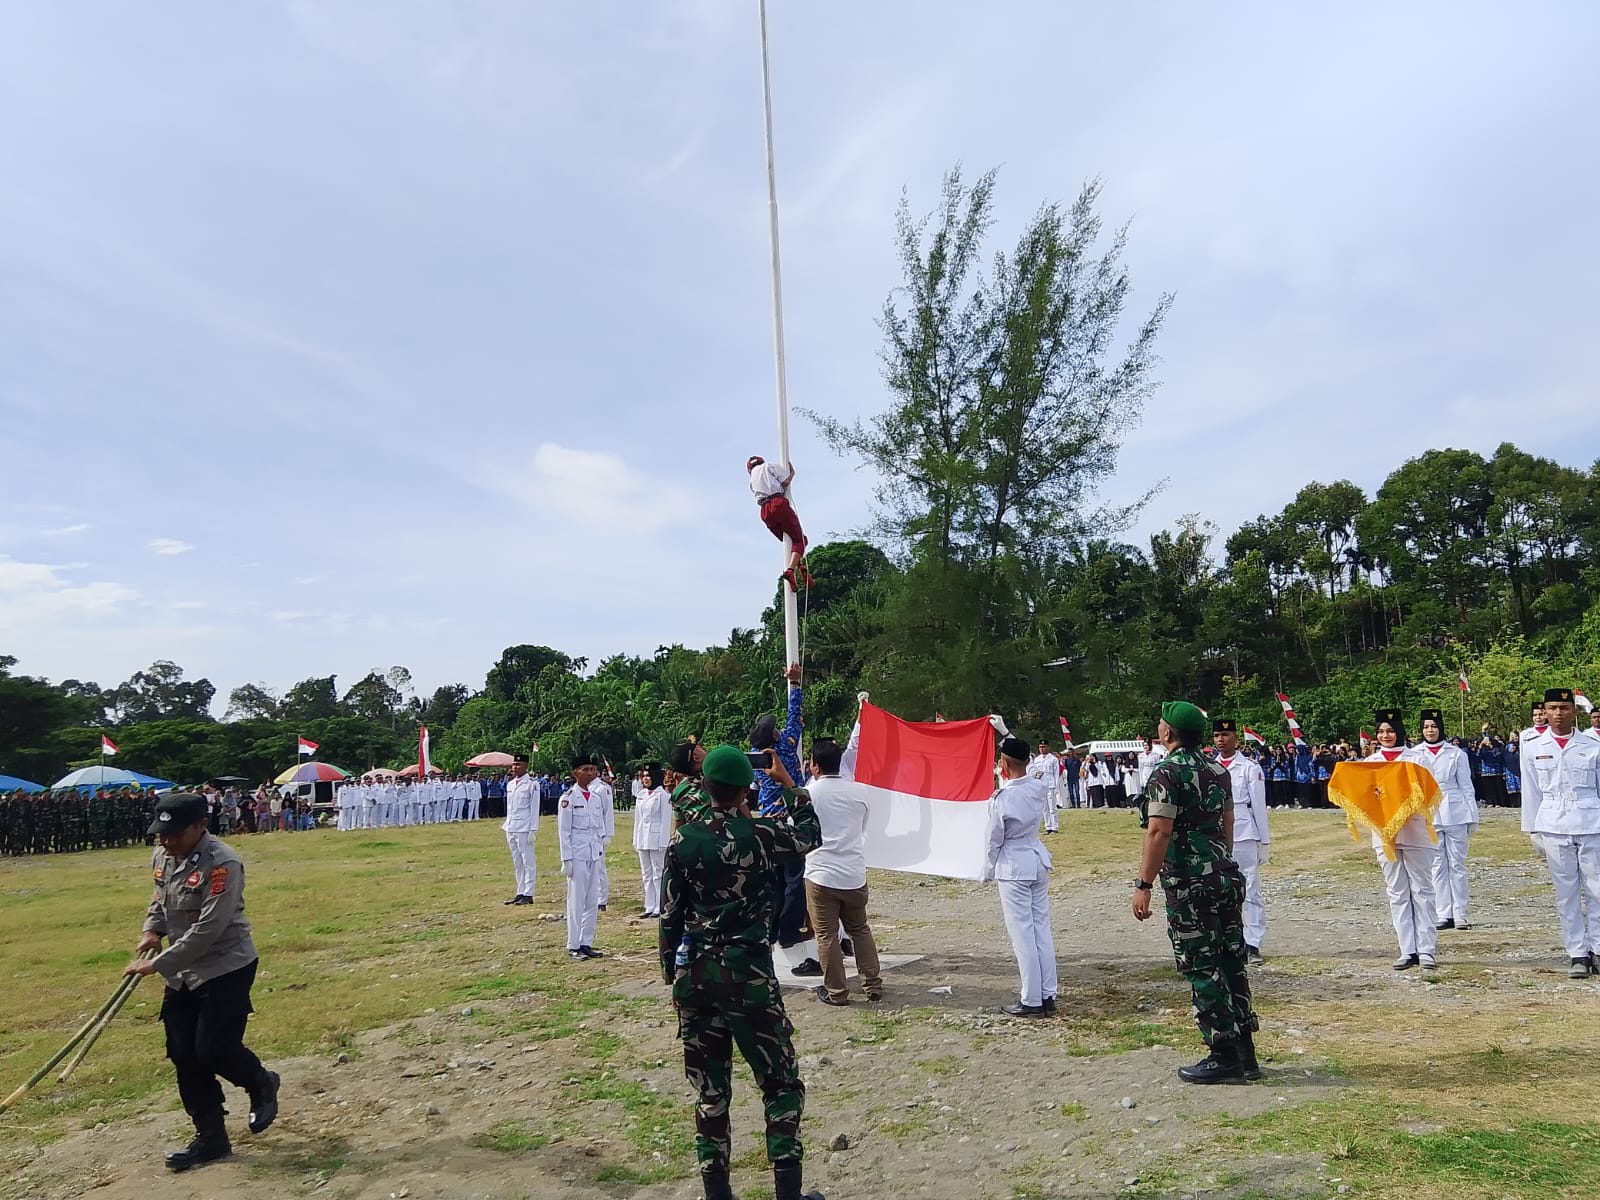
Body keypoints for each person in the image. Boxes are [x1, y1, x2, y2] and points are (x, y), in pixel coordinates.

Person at [659, 745, 825, 1200]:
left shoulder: (684, 840)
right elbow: (811, 835)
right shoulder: (760, 835)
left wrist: (669, 971)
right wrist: (790, 785)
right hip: (749, 977)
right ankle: (788, 1193)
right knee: (780, 1083)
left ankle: (717, 1193)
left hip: (697, 978)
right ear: (745, 790)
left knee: (711, 1091)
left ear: (705, 786)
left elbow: (669, 917)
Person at [125, 792, 279, 1171]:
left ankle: (260, 1083)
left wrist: (158, 963)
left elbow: (210, 927)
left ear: (201, 826)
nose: (166, 841)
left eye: (175, 834)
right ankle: (211, 1139)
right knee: (183, 1054)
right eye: (161, 833)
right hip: (181, 969)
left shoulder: (223, 862)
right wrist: (152, 930)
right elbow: (160, 898)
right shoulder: (163, 854)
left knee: (213, 1048)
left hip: (224, 964)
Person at [1132, 701, 1259, 1084]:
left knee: (1203, 966)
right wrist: (1221, 859)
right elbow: (1228, 819)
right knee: (1231, 960)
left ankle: (1223, 1055)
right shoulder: (1217, 768)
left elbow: (1159, 831)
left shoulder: (1166, 773)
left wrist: (1144, 885)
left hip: (1190, 881)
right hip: (1223, 874)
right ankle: (1245, 1053)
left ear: (1168, 733)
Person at [1521, 688, 1600, 978]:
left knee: (1597, 889)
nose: (1558, 713)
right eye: (1552, 708)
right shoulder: (1533, 747)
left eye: (1564, 708)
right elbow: (1530, 792)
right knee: (1566, 893)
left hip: (1591, 822)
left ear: (1574, 711)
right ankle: (1577, 952)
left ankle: (1599, 948)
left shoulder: (1592, 745)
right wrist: (1532, 829)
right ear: (1545, 710)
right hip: (1553, 824)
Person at [801, 736, 883, 1007]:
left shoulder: (809, 793)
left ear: (814, 765)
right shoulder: (860, 791)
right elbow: (862, 828)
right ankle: (872, 985)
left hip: (821, 873)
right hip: (853, 872)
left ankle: (837, 991)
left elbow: (798, 828)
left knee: (826, 935)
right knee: (860, 929)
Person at [983, 735, 1059, 1018]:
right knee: (1041, 929)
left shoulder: (1002, 798)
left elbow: (993, 840)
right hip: (1036, 857)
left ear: (1003, 763)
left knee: (1022, 935)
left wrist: (986, 870)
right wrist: (1005, 732)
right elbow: (1029, 769)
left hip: (1014, 865)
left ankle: (1031, 999)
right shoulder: (1037, 786)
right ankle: (1048, 993)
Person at [1366, 709, 1438, 970]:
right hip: (1385, 834)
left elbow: (1432, 793)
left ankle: (1427, 949)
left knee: (1422, 890)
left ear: (1400, 732)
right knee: (1397, 892)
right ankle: (1407, 949)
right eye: (1382, 731)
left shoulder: (1417, 759)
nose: (1386, 735)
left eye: (1391, 730)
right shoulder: (1369, 762)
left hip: (1416, 831)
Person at [1406, 709, 1478, 931]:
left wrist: (1472, 816)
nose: (1430, 730)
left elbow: (1467, 787)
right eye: (1426, 727)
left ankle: (1460, 913)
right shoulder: (1415, 754)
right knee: (1437, 865)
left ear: (1441, 728)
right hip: (1429, 813)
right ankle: (1443, 912)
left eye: (1434, 726)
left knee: (1457, 864)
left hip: (1455, 811)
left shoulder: (1456, 753)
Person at [1211, 719, 1270, 964]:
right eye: (1216, 735)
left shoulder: (1249, 767)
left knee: (1250, 888)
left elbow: (1258, 805)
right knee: (1218, 888)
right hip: (1215, 833)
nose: (1221, 740)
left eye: (1225, 734)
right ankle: (1225, 939)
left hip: (1244, 831)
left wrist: (1264, 841)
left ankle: (1252, 942)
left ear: (1235, 737)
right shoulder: (1209, 766)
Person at [559, 755, 613, 960]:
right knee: (576, 901)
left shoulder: (597, 797)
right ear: (575, 773)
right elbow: (564, 831)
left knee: (592, 900)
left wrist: (602, 842)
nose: (590, 773)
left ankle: (586, 942)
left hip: (593, 851)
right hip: (577, 853)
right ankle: (573, 944)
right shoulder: (568, 798)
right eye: (585, 769)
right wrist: (566, 860)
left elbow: (598, 825)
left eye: (592, 769)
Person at [633, 763, 672, 918]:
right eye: (644, 776)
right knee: (646, 873)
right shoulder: (641, 795)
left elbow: (665, 820)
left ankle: (659, 906)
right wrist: (636, 839)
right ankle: (649, 905)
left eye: (648, 776)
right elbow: (638, 819)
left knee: (658, 873)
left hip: (656, 839)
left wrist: (663, 842)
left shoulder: (663, 796)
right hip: (643, 837)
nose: (645, 779)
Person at [502, 754, 539, 906]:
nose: (515, 767)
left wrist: (533, 829)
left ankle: (529, 893)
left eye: (518, 764)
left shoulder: (532, 784)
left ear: (526, 766)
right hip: (511, 826)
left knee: (528, 860)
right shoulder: (510, 784)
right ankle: (520, 891)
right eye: (514, 764)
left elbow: (534, 808)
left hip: (524, 827)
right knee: (517, 862)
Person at [1028, 740, 1062, 833]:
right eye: (1040, 747)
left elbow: (1056, 773)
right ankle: (1048, 826)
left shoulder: (1053, 759)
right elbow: (1034, 773)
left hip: (1050, 784)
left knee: (1052, 807)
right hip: (1040, 785)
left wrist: (1056, 787)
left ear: (1048, 747)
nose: (1042, 749)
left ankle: (1054, 826)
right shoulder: (1037, 759)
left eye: (1044, 747)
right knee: (1044, 808)